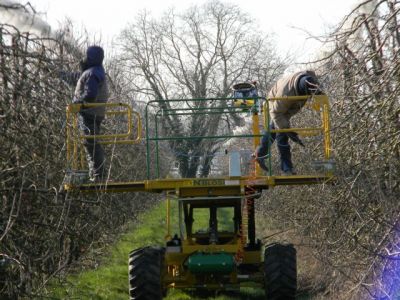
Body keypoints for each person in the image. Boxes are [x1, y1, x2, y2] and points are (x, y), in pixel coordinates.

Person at [255, 70, 321, 175]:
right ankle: (286, 169)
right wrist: (288, 130)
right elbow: (276, 112)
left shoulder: (310, 83)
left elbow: (315, 91)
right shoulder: (286, 93)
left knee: (274, 129)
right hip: (274, 102)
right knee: (282, 134)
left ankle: (260, 154)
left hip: (286, 105)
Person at [73, 46, 109, 182]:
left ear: (91, 57)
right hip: (95, 113)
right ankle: (96, 174)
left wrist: (79, 103)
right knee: (91, 143)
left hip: (89, 113)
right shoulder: (95, 71)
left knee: (91, 144)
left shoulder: (92, 73)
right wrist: (61, 75)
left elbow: (90, 94)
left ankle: (97, 176)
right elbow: (78, 79)